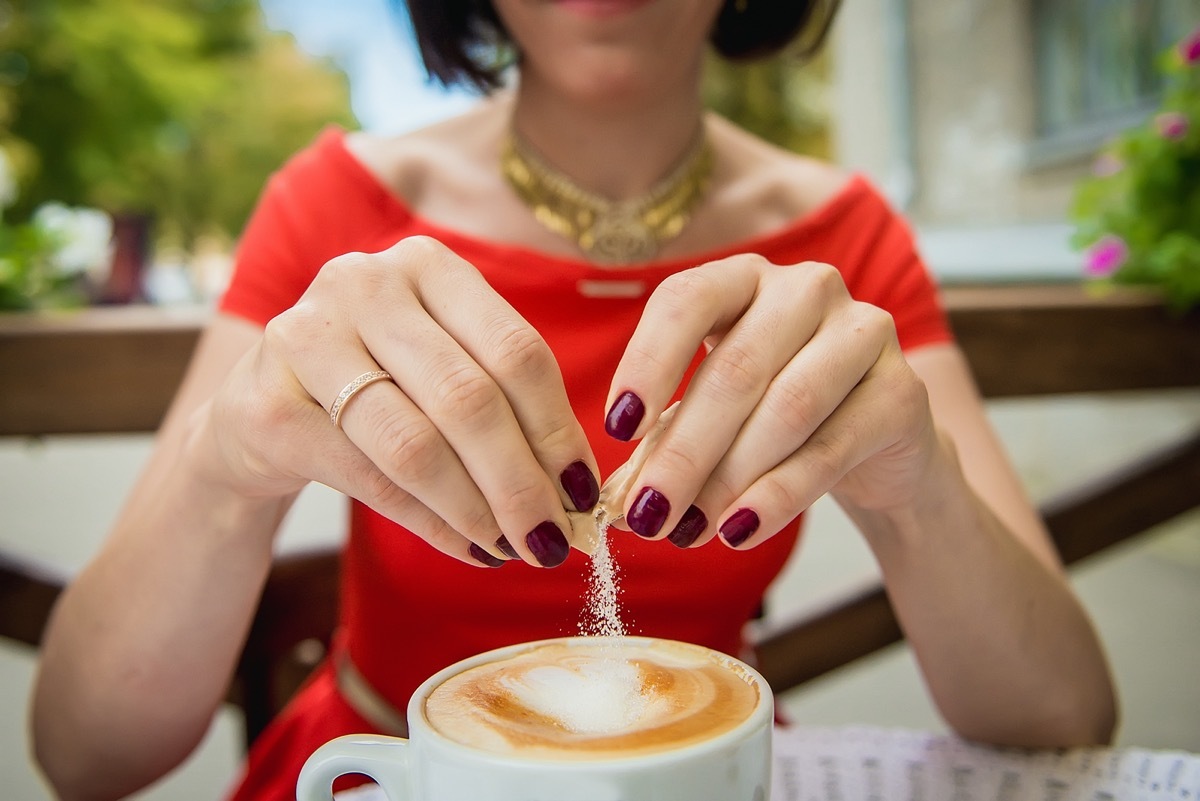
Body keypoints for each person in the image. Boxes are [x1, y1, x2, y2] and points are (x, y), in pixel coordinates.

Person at [31, 1, 1118, 799]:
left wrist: (916, 491)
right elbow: (84, 751)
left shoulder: (848, 237)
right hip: (387, 771)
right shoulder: (333, 206)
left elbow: (1063, 720)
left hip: (708, 774)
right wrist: (227, 467)